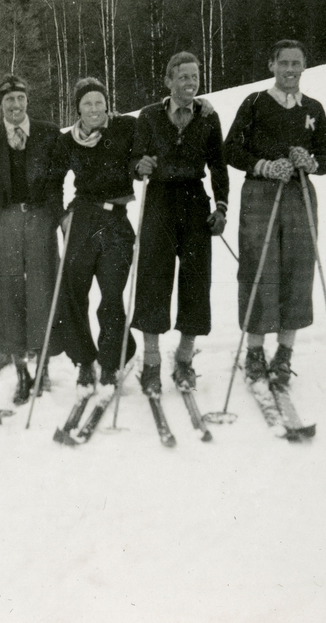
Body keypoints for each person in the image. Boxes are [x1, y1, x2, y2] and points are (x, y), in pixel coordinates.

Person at [223, 41, 326, 386]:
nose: (290, 70)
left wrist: (312, 163)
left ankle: (284, 353)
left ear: (304, 67)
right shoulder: (255, 102)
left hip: (299, 193)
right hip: (261, 191)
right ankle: (255, 351)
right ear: (271, 65)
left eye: (296, 64)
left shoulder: (313, 108)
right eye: (284, 63)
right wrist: (264, 165)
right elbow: (231, 149)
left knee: (299, 268)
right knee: (260, 267)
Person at [130, 52, 230, 396]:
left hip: (193, 200)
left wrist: (221, 207)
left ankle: (185, 359)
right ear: (169, 81)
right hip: (159, 199)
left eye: (195, 76)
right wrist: (138, 166)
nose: (191, 83)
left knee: (196, 279)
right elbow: (135, 158)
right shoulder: (149, 117)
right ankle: (152, 361)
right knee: (153, 278)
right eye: (184, 77)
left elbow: (218, 165)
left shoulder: (208, 117)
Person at [0, 74, 64, 404]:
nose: (15, 105)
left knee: (42, 288)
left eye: (20, 98)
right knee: (8, 291)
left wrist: (56, 215)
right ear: (0, 104)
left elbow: (58, 179)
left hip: (40, 216)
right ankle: (21, 371)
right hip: (6, 218)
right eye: (9, 100)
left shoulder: (49, 134)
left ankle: (43, 366)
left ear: (27, 100)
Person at [49, 78, 139, 399]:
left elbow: (151, 140)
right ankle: (85, 361)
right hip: (82, 218)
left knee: (112, 296)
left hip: (115, 220)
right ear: (78, 108)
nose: (94, 109)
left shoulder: (125, 128)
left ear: (107, 103)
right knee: (75, 293)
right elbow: (53, 181)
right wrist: (62, 215)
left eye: (99, 102)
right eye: (87, 104)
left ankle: (111, 362)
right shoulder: (67, 141)